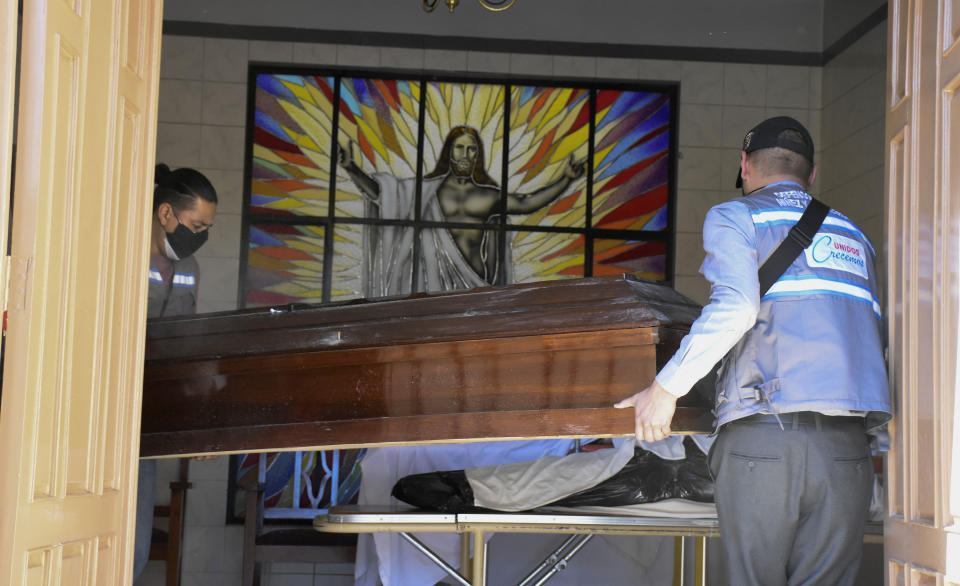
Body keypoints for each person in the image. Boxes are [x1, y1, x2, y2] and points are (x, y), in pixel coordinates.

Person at [615, 116, 892, 585]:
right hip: (846, 450)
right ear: (813, 172)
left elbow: (738, 306)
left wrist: (666, 388)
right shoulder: (855, 238)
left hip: (764, 439)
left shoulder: (736, 217)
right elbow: (878, 340)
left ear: (744, 165)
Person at [338, 125, 585, 295]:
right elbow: (384, 194)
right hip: (429, 291)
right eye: (459, 148)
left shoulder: (487, 196)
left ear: (478, 154)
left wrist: (566, 179)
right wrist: (351, 168)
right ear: (449, 152)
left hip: (473, 288)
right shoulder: (424, 192)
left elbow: (526, 203)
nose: (465, 154)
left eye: (471, 149)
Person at [134, 164, 217, 581]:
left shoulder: (188, 270)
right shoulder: (122, 256)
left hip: (145, 427)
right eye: (195, 225)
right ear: (165, 214)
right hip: (99, 419)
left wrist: (196, 417)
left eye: (206, 229)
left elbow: (187, 348)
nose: (199, 237)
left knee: (133, 551)